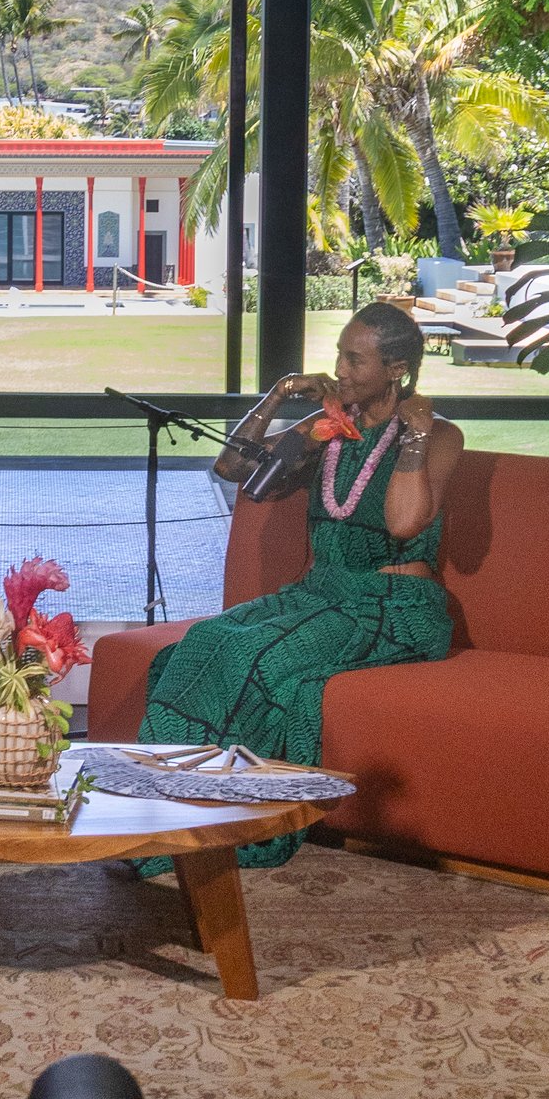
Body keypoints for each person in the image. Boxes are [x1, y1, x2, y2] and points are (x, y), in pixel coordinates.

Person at [138, 301, 462, 867]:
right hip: (321, 593)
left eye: (354, 359)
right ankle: (165, 808)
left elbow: (404, 523)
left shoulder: (438, 437)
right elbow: (234, 472)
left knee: (250, 656)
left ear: (396, 369)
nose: (339, 368)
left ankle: (233, 820)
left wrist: (413, 435)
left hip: (393, 606)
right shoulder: (329, 429)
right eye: (339, 352)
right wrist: (279, 396)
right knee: (198, 644)